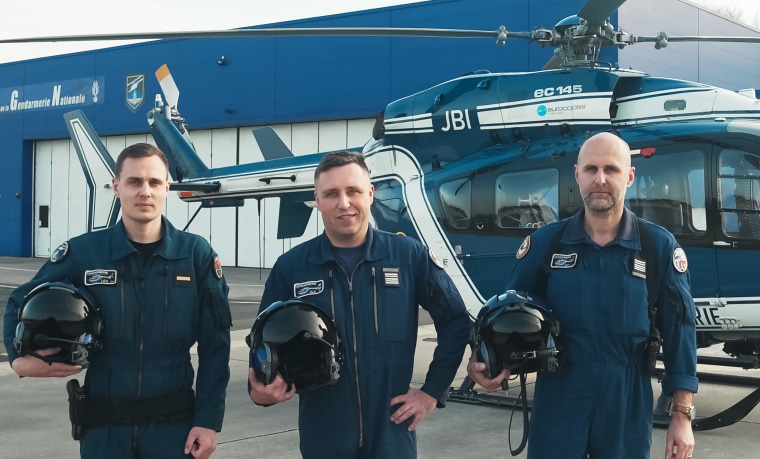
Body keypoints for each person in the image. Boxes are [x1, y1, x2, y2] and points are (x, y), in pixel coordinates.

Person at [467, 132, 698, 459]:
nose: (600, 179)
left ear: (630, 177)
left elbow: (681, 333)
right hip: (560, 398)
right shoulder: (546, 246)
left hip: (627, 399)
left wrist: (682, 415)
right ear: (577, 175)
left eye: (612, 170)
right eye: (591, 169)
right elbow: (508, 312)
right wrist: (483, 357)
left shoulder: (658, 248)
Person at [3, 143, 232, 459]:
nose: (145, 192)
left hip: (173, 429)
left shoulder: (196, 255)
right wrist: (17, 358)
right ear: (116, 187)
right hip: (104, 429)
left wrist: (208, 421)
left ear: (167, 188)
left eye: (154, 183)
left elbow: (215, 345)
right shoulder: (85, 252)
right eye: (134, 182)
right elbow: (19, 301)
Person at [247, 150, 471, 458]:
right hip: (324, 435)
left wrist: (433, 391)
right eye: (331, 194)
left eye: (353, 191)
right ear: (317, 199)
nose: (343, 203)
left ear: (370, 193)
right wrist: (261, 390)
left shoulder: (409, 256)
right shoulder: (292, 267)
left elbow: (456, 321)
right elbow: (263, 341)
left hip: (393, 432)